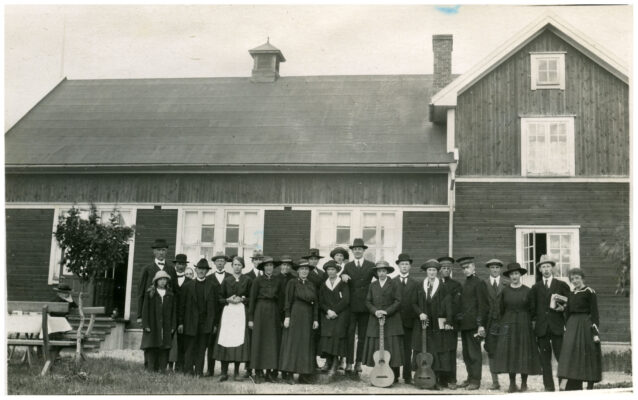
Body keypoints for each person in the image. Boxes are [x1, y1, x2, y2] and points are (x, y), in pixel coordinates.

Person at [493, 263, 542, 392]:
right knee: (511, 352)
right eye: (512, 274)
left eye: (516, 274)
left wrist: (530, 321)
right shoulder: (505, 291)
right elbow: (501, 309)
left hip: (524, 323)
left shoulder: (527, 290)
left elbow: (532, 309)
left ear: (520, 275)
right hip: (508, 323)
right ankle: (512, 383)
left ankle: (524, 383)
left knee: (523, 352)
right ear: (509, 276)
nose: (514, 276)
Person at [529, 254, 571, 392]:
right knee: (545, 361)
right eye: (543, 267)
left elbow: (570, 303)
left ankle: (563, 386)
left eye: (548, 266)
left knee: (561, 358)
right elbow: (532, 309)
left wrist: (563, 308)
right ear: (540, 270)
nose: (546, 269)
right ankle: (548, 387)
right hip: (542, 329)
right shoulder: (535, 288)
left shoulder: (561, 285)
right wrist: (535, 323)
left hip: (557, 327)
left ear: (552, 268)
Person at [557, 268, 602, 391]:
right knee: (571, 353)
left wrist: (594, 331)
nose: (575, 281)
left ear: (582, 278)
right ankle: (572, 385)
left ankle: (590, 385)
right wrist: (563, 309)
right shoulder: (571, 293)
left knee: (587, 353)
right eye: (572, 279)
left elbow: (594, 312)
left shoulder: (589, 291)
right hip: (572, 325)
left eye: (577, 278)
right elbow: (569, 311)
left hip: (585, 325)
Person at [412, 259, 454, 389]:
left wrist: (448, 321)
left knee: (437, 351)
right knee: (423, 350)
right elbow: (413, 303)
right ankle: (422, 377)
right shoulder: (419, 286)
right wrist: (420, 314)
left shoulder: (443, 287)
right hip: (423, 325)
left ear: (437, 272)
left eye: (434, 270)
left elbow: (448, 305)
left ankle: (436, 380)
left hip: (437, 325)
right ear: (426, 272)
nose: (431, 272)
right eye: (429, 270)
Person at [362, 260, 404, 383]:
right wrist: (375, 311)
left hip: (391, 320)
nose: (381, 273)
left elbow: (398, 301)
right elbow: (367, 301)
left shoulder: (394, 283)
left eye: (384, 271)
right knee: (378, 346)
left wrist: (386, 311)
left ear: (387, 272)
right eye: (379, 271)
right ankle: (378, 372)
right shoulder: (372, 285)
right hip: (376, 320)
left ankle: (394, 375)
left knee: (392, 346)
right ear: (376, 273)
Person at [279, 259, 320, 384]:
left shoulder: (311, 284)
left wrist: (315, 319)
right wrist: (287, 316)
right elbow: (288, 300)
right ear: (297, 271)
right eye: (302, 269)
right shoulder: (292, 282)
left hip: (307, 316)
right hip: (295, 314)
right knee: (293, 343)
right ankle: (289, 373)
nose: (304, 271)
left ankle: (304, 374)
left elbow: (316, 303)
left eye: (306, 269)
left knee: (305, 344)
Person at [213, 256, 252, 382]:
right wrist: (227, 300)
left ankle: (236, 372)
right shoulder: (226, 280)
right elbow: (219, 298)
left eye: (239, 265)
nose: (237, 267)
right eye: (235, 264)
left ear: (243, 266)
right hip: (228, 312)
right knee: (226, 339)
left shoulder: (247, 280)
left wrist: (243, 299)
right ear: (232, 266)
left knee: (238, 340)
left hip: (240, 312)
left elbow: (252, 297)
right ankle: (224, 372)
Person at [340, 238, 376, 376]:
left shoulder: (370, 265)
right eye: (355, 249)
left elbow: (380, 279)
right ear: (352, 251)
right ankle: (349, 362)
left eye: (360, 249)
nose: (357, 251)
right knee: (349, 334)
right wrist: (343, 275)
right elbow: (341, 279)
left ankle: (358, 362)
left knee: (362, 335)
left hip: (365, 306)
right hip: (351, 306)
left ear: (364, 250)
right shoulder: (348, 266)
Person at [179, 259, 219, 377]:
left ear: (207, 271)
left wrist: (215, 324)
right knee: (190, 347)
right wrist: (181, 322)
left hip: (205, 323)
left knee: (202, 348)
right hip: (190, 322)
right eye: (199, 269)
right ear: (195, 270)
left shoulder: (212, 287)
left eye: (204, 269)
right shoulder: (187, 286)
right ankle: (188, 371)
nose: (201, 271)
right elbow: (182, 306)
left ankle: (198, 372)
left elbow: (216, 307)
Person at [248, 256, 285, 383]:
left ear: (273, 268)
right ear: (263, 267)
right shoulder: (257, 281)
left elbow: (281, 300)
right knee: (259, 340)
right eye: (267, 266)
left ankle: (270, 372)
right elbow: (252, 300)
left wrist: (281, 317)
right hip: (260, 311)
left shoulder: (278, 281)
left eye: (271, 266)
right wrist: (251, 318)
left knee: (272, 342)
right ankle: (258, 372)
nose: (269, 268)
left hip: (273, 311)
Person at [456, 256, 488, 390]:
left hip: (474, 324)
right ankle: (470, 377)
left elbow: (483, 305)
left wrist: (480, 324)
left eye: (468, 267)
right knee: (466, 354)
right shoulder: (466, 283)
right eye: (463, 268)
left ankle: (476, 380)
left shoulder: (479, 283)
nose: (465, 270)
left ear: (473, 267)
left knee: (474, 353)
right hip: (465, 325)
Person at [318, 260, 350, 377]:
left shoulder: (342, 283)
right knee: (327, 337)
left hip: (340, 314)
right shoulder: (323, 284)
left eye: (333, 269)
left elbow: (346, 300)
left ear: (337, 271)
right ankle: (328, 361)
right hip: (327, 315)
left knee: (337, 337)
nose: (331, 272)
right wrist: (328, 311)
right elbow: (321, 301)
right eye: (328, 270)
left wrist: (335, 311)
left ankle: (335, 364)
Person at [141, 270, 177, 373]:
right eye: (160, 279)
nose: (162, 281)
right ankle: (151, 368)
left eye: (164, 279)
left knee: (164, 347)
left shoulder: (170, 294)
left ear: (167, 281)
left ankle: (162, 369)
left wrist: (173, 325)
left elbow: (173, 311)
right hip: (153, 324)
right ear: (156, 281)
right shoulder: (150, 293)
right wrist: (146, 324)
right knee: (152, 346)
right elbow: (145, 310)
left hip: (166, 325)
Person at [137, 239, 178, 324]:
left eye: (163, 250)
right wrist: (139, 316)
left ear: (166, 252)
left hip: (167, 312)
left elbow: (175, 292)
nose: (161, 253)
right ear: (154, 252)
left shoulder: (171, 269)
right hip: (150, 311)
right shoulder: (146, 269)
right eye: (158, 250)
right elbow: (141, 293)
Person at [483, 259, 509, 390]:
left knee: (507, 350)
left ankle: (512, 381)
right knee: (491, 350)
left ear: (500, 269)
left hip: (504, 322)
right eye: (492, 267)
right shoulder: (484, 284)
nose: (494, 270)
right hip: (489, 323)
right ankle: (495, 381)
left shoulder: (506, 283)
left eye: (497, 267)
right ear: (489, 269)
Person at [438, 256, 462, 389]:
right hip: (437, 323)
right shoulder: (434, 283)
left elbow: (456, 305)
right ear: (439, 270)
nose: (446, 270)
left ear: (451, 270)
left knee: (450, 351)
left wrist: (450, 321)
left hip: (450, 323)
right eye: (443, 268)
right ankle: (440, 379)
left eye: (448, 268)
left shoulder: (456, 285)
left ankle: (451, 379)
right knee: (439, 350)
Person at [396, 253, 419, 384]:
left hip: (409, 321)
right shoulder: (392, 282)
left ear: (410, 266)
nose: (404, 266)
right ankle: (394, 375)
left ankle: (407, 376)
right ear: (398, 266)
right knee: (394, 348)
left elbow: (416, 302)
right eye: (402, 264)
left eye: (406, 264)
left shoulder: (415, 283)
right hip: (395, 321)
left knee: (407, 349)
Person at [207, 251, 232, 377]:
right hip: (213, 314)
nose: (220, 263)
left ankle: (224, 371)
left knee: (225, 341)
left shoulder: (230, 277)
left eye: (222, 261)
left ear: (225, 263)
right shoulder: (209, 278)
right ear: (215, 263)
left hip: (227, 313)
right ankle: (210, 370)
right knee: (211, 342)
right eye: (218, 261)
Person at [303, 248, 327, 371]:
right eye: (311, 259)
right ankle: (308, 362)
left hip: (320, 306)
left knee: (318, 335)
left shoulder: (322, 273)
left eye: (315, 259)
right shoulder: (305, 272)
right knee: (309, 335)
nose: (313, 261)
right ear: (307, 260)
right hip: (308, 307)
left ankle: (316, 361)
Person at [169, 254, 191, 372]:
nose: (180, 266)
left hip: (185, 315)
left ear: (186, 265)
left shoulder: (190, 281)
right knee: (170, 339)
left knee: (182, 340)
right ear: (175, 265)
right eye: (178, 264)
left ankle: (180, 365)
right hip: (171, 314)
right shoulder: (169, 280)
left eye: (183, 264)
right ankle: (169, 364)